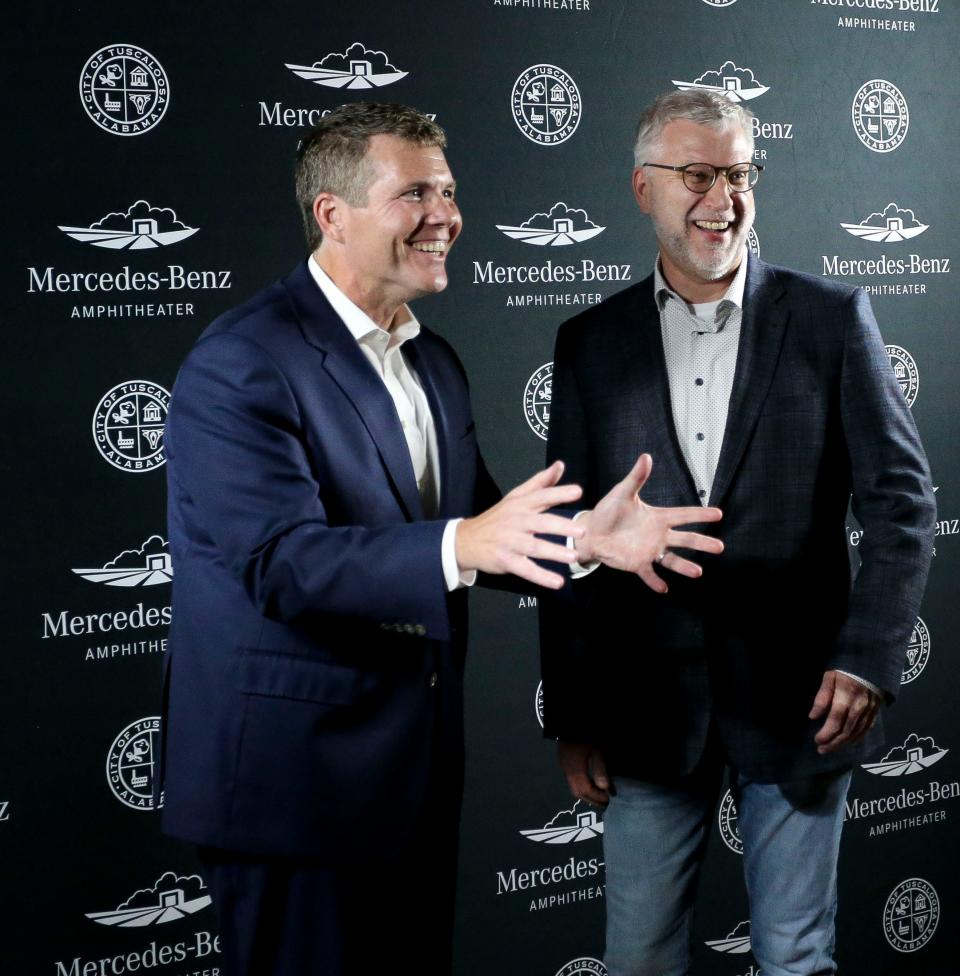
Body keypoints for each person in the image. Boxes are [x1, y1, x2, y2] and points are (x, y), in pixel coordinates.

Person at [158, 101, 723, 976]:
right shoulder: (245, 360)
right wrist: (463, 545)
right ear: (333, 215)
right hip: (292, 792)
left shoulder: (432, 361)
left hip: (408, 780)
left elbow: (488, 522)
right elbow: (279, 563)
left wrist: (583, 541)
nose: (447, 216)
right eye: (414, 192)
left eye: (450, 191)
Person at [539, 89, 936, 976]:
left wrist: (868, 657)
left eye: (739, 172)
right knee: (639, 961)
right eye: (696, 174)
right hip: (645, 715)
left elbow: (903, 506)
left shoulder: (832, 318)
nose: (723, 196)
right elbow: (568, 535)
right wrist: (573, 712)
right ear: (644, 188)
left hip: (800, 710)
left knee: (795, 957)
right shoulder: (590, 345)